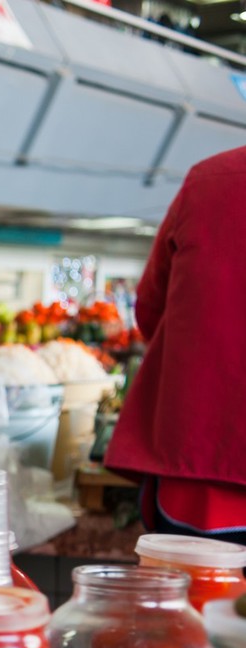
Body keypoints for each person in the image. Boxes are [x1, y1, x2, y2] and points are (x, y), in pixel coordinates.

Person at [104, 145, 246, 543]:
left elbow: (150, 310)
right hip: (204, 460)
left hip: (201, 470)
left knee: (195, 600)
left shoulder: (208, 178)